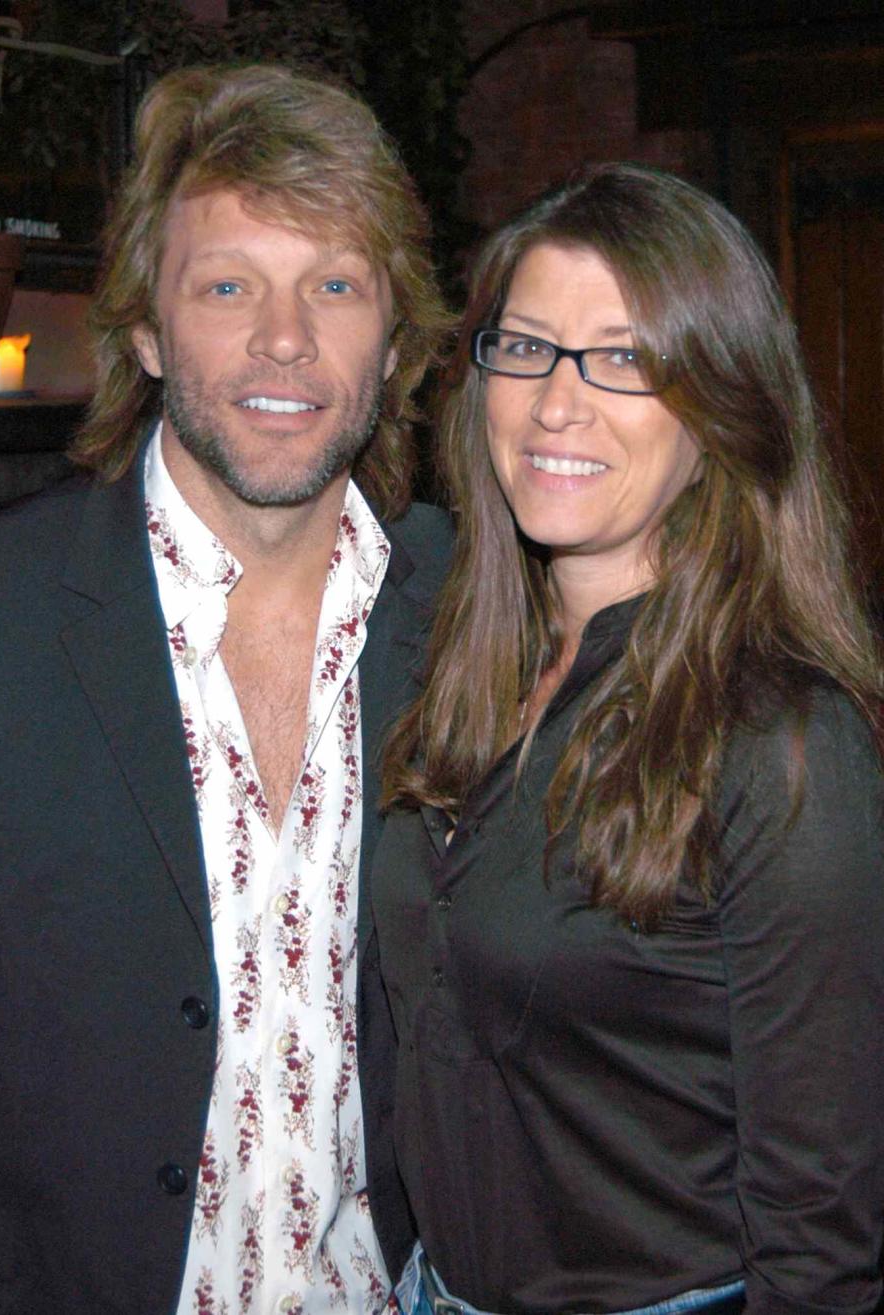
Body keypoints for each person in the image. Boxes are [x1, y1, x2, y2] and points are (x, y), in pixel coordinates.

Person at [0, 63, 451, 1315]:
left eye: (336, 284)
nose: (285, 338)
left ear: (394, 339)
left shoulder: (479, 609)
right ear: (149, 333)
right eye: (228, 287)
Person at [374, 162, 884, 1315]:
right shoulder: (447, 664)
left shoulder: (781, 740)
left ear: (722, 401)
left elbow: (822, 1229)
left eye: (624, 358)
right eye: (527, 347)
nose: (559, 402)